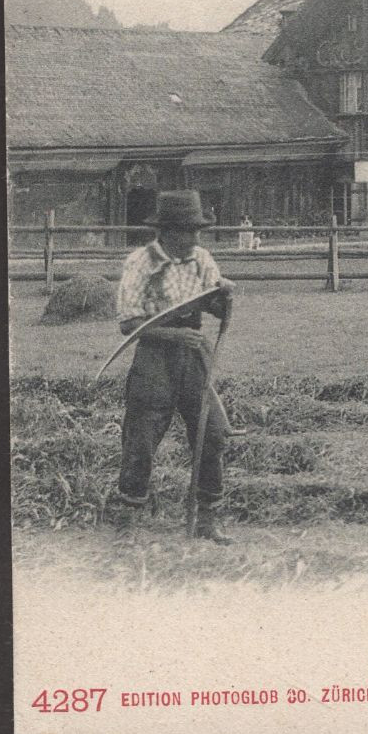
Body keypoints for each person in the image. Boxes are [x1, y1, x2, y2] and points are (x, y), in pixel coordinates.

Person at [110, 190, 236, 542]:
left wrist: (224, 298)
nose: (195, 238)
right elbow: (127, 324)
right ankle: (128, 520)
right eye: (187, 231)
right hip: (154, 357)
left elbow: (212, 306)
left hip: (194, 356)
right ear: (165, 231)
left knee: (210, 433)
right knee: (142, 437)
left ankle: (208, 519)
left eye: (198, 230)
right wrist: (174, 336)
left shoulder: (202, 260)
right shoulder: (141, 262)